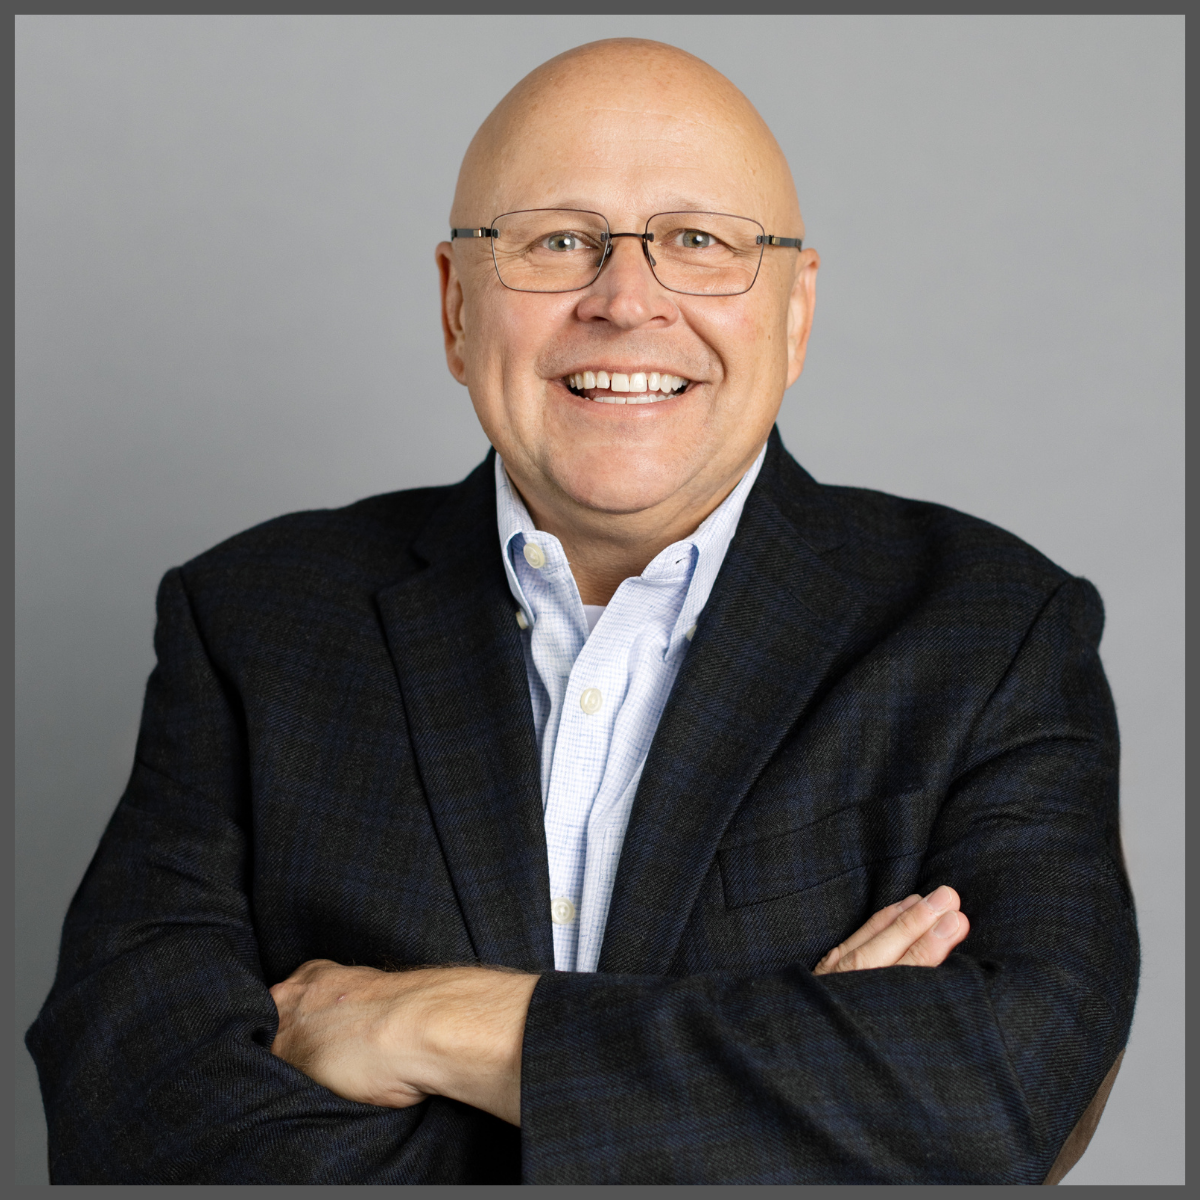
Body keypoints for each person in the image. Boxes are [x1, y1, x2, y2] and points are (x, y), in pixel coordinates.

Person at [27, 38, 1137, 1185]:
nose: (626, 302)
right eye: (557, 241)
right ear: (456, 307)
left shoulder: (993, 633)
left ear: (795, 313)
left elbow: (1008, 1093)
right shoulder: (251, 624)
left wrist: (442, 1027)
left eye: (699, 242)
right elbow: (125, 1113)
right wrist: (785, 1088)